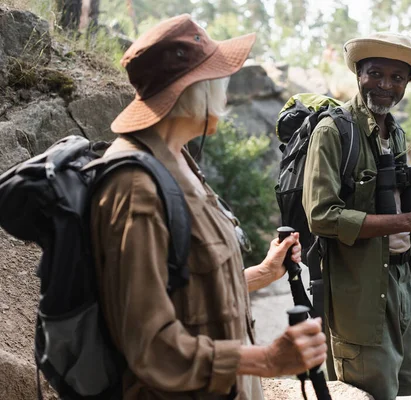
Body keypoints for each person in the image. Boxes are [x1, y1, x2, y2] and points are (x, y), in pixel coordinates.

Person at [91, 14, 327, 400]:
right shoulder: (134, 188)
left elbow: (187, 287)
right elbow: (150, 344)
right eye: (219, 78)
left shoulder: (178, 160)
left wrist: (263, 273)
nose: (226, 92)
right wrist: (265, 359)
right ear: (194, 90)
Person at [302, 32, 411, 399]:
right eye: (376, 73)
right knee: (367, 393)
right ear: (359, 73)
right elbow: (321, 216)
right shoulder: (333, 131)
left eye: (398, 78)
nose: (385, 86)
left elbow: (399, 212)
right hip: (360, 291)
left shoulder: (395, 133)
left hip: (405, 281)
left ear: (408, 83)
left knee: (402, 388)